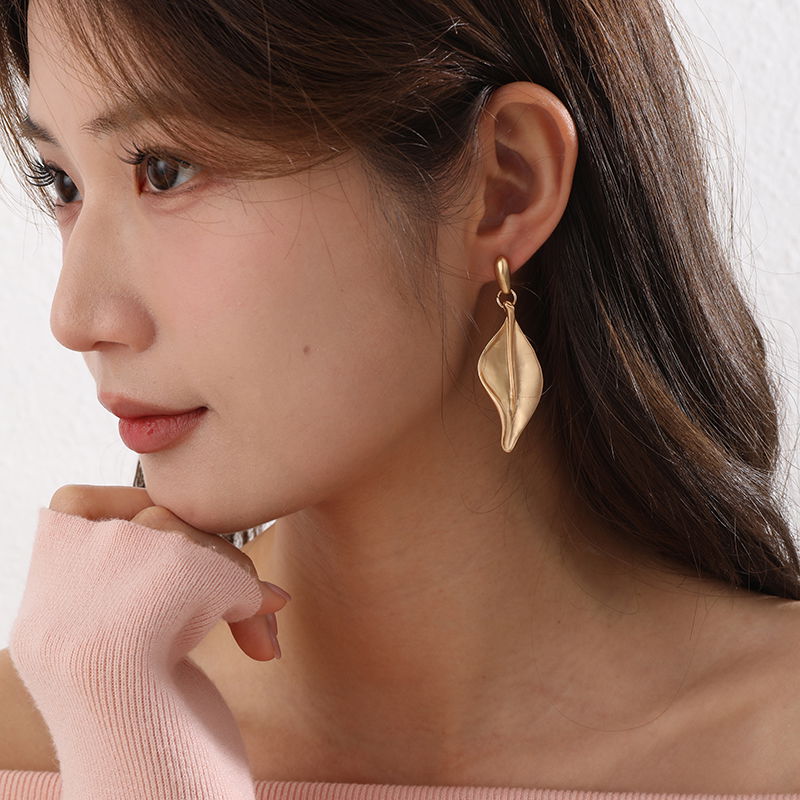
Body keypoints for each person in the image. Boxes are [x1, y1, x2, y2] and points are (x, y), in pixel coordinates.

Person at [0, 0, 799, 797]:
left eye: (166, 169)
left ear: (505, 185)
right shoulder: (42, 733)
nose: (76, 318)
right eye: (62, 182)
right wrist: (121, 724)